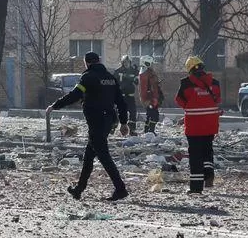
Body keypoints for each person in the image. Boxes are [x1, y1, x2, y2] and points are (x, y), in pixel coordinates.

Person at [46, 51, 129, 202]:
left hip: (97, 120)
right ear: (98, 61)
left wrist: (55, 106)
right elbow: (121, 102)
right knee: (89, 155)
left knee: (103, 155)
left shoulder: (88, 77)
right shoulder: (111, 78)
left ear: (87, 62)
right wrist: (124, 122)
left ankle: (120, 188)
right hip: (109, 120)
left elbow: (74, 95)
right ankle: (79, 189)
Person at [175, 56, 222, 194]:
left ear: (189, 70)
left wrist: (192, 106)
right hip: (210, 124)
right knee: (207, 149)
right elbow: (217, 99)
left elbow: (179, 101)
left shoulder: (186, 83)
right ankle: (208, 174)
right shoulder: (215, 83)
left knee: (195, 154)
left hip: (194, 125)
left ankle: (196, 187)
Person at [114, 55, 139, 135]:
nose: (126, 64)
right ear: (122, 63)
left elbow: (137, 82)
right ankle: (112, 129)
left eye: (128, 62)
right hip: (121, 96)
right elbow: (114, 83)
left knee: (133, 112)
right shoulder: (118, 71)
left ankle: (132, 130)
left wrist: (136, 74)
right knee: (119, 113)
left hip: (130, 96)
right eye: (125, 62)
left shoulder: (133, 70)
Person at [138, 55, 164, 134]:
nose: (152, 64)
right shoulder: (145, 74)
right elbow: (147, 88)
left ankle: (147, 131)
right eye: (150, 63)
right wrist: (151, 99)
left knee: (150, 115)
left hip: (151, 98)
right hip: (150, 98)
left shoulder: (146, 72)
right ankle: (150, 131)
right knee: (154, 116)